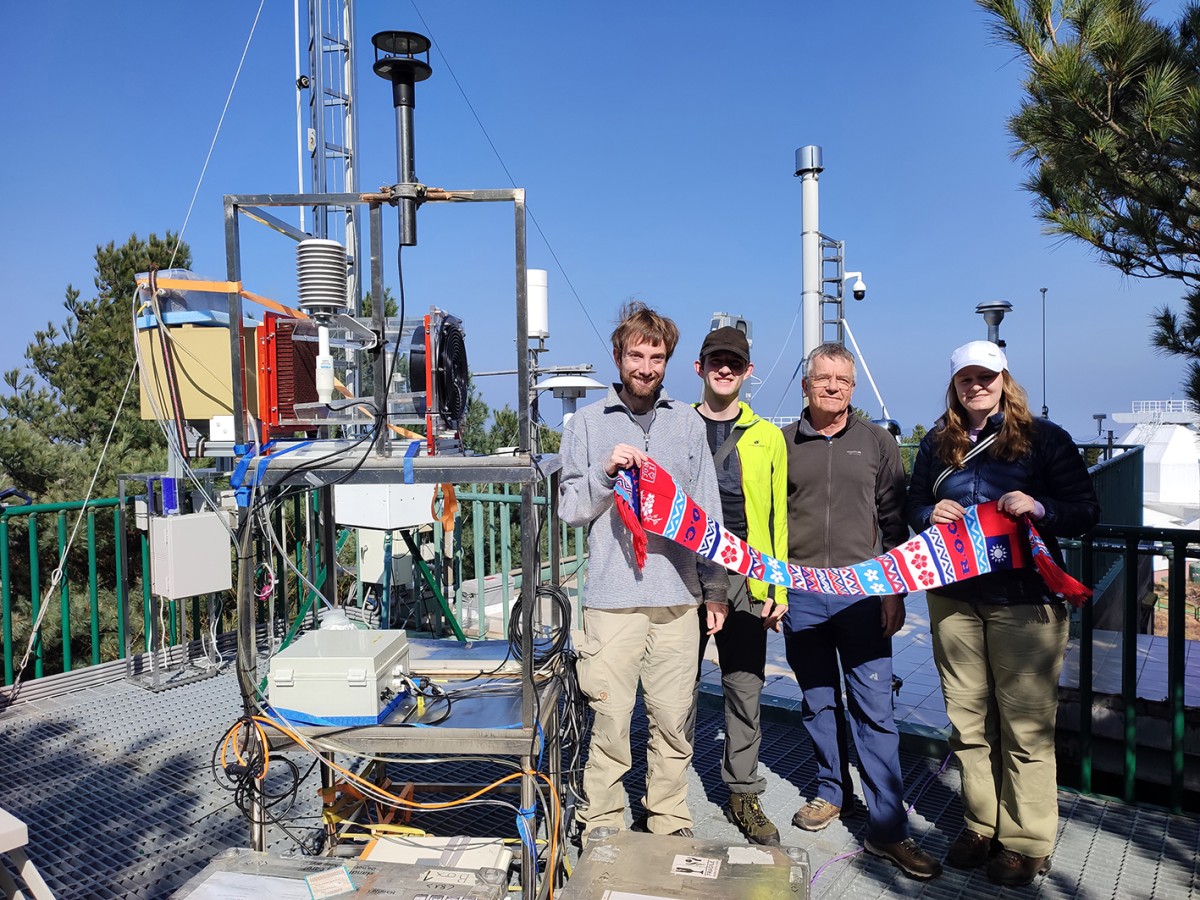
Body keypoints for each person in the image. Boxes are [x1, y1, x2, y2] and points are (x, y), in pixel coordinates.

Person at [904, 340, 1099, 887]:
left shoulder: (1045, 439)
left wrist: (1040, 507)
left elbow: (1085, 510)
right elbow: (913, 503)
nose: (976, 386)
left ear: (1004, 379)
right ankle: (981, 824)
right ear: (954, 385)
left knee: (1025, 726)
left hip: (1025, 600)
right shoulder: (937, 442)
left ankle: (1026, 841)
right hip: (954, 598)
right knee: (968, 722)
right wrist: (929, 512)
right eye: (966, 378)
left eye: (985, 376)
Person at [559, 301, 728, 840]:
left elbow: (707, 514)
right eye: (637, 355)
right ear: (618, 357)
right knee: (610, 722)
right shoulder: (587, 424)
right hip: (613, 602)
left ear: (667, 362)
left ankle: (668, 818)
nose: (646, 367)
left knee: (674, 722)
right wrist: (606, 473)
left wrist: (715, 590)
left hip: (678, 598)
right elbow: (570, 508)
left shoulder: (687, 423)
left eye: (657, 358)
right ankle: (602, 822)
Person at [781, 342, 942, 880]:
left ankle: (888, 829)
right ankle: (832, 792)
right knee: (817, 701)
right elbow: (771, 520)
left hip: (863, 594)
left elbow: (894, 521)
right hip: (802, 593)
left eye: (843, 380)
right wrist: (774, 590)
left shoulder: (877, 441)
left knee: (874, 710)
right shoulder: (783, 442)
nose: (833, 387)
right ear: (806, 385)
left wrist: (894, 591)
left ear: (853, 387)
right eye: (823, 378)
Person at [687, 326, 788, 845]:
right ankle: (666, 795)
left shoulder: (768, 436)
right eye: (715, 361)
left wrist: (778, 588)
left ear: (748, 372)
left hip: (747, 575)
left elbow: (777, 520)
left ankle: (743, 793)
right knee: (676, 687)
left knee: (744, 689)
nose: (724, 369)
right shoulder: (677, 425)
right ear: (699, 368)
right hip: (685, 572)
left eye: (734, 362)